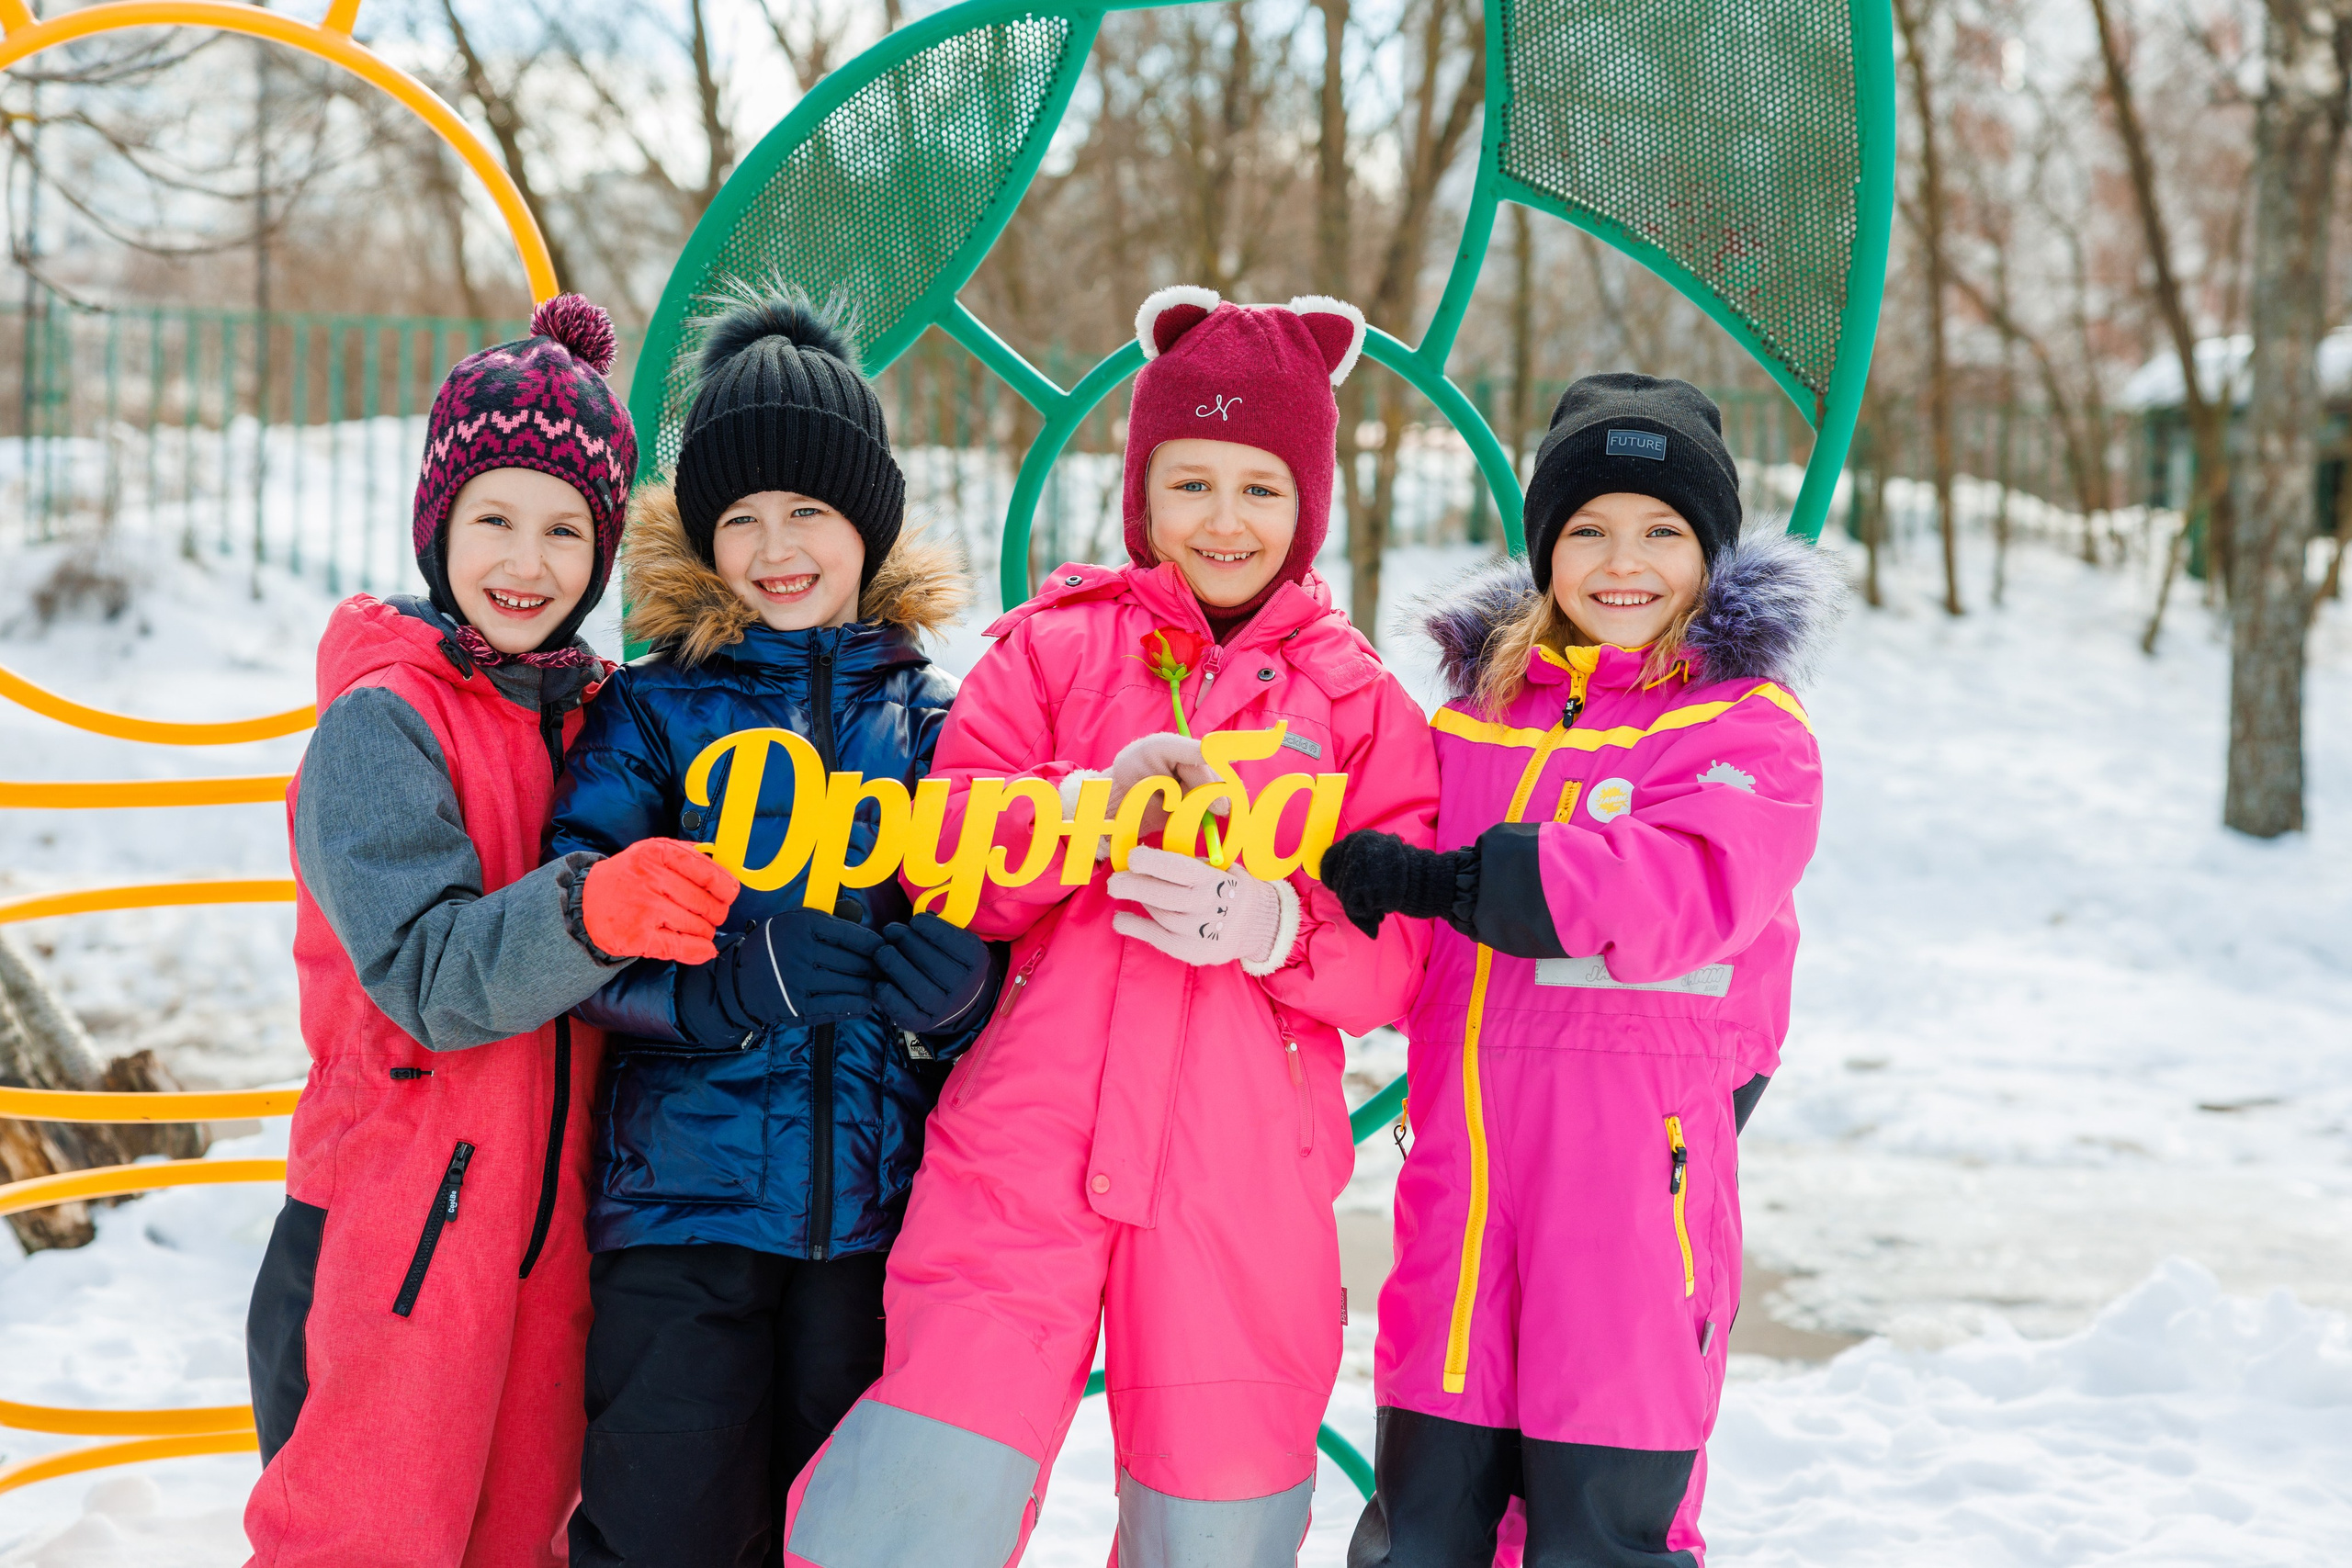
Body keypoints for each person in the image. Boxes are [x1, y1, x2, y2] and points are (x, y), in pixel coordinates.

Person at [776, 287, 1442, 1568]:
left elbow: (1400, 950)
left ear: (1309, 504)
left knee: (1218, 1516)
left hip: (1237, 1182)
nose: (1224, 520)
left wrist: (1271, 928)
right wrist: (1082, 812)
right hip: (1026, 1146)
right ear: (1143, 494)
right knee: (920, 1495)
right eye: (1191, 483)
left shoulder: (1358, 707)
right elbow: (952, 861)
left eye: (1260, 488)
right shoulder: (1052, 654)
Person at [243, 295, 741, 1568]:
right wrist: (596, 905)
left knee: (524, 1539)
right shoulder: (382, 726)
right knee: (361, 1542)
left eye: (566, 529)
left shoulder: (589, 720)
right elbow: (422, 972)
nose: (528, 561)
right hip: (393, 1238)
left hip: (549, 1240)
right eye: (495, 519)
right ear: (440, 526)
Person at [1317, 374, 1843, 1567]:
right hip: (1462, 1204)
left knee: (1596, 1534)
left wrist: (1465, 882)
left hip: (1632, 1211)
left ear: (1711, 555)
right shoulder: (1472, 724)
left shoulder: (1746, 732)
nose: (1625, 561)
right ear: (1546, 547)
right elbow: (1367, 882)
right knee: (1425, 1532)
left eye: (1663, 532)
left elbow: (1682, 885)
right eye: (1589, 529)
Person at [547, 291, 1000, 1568]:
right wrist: (718, 988)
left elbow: (1004, 920)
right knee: (662, 1530)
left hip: (874, 1218)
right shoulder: (652, 714)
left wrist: (968, 996)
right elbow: (577, 923)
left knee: (845, 1534)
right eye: (739, 517)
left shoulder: (937, 720)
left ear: (869, 520)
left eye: (808, 510)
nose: (774, 546)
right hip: (681, 1215)